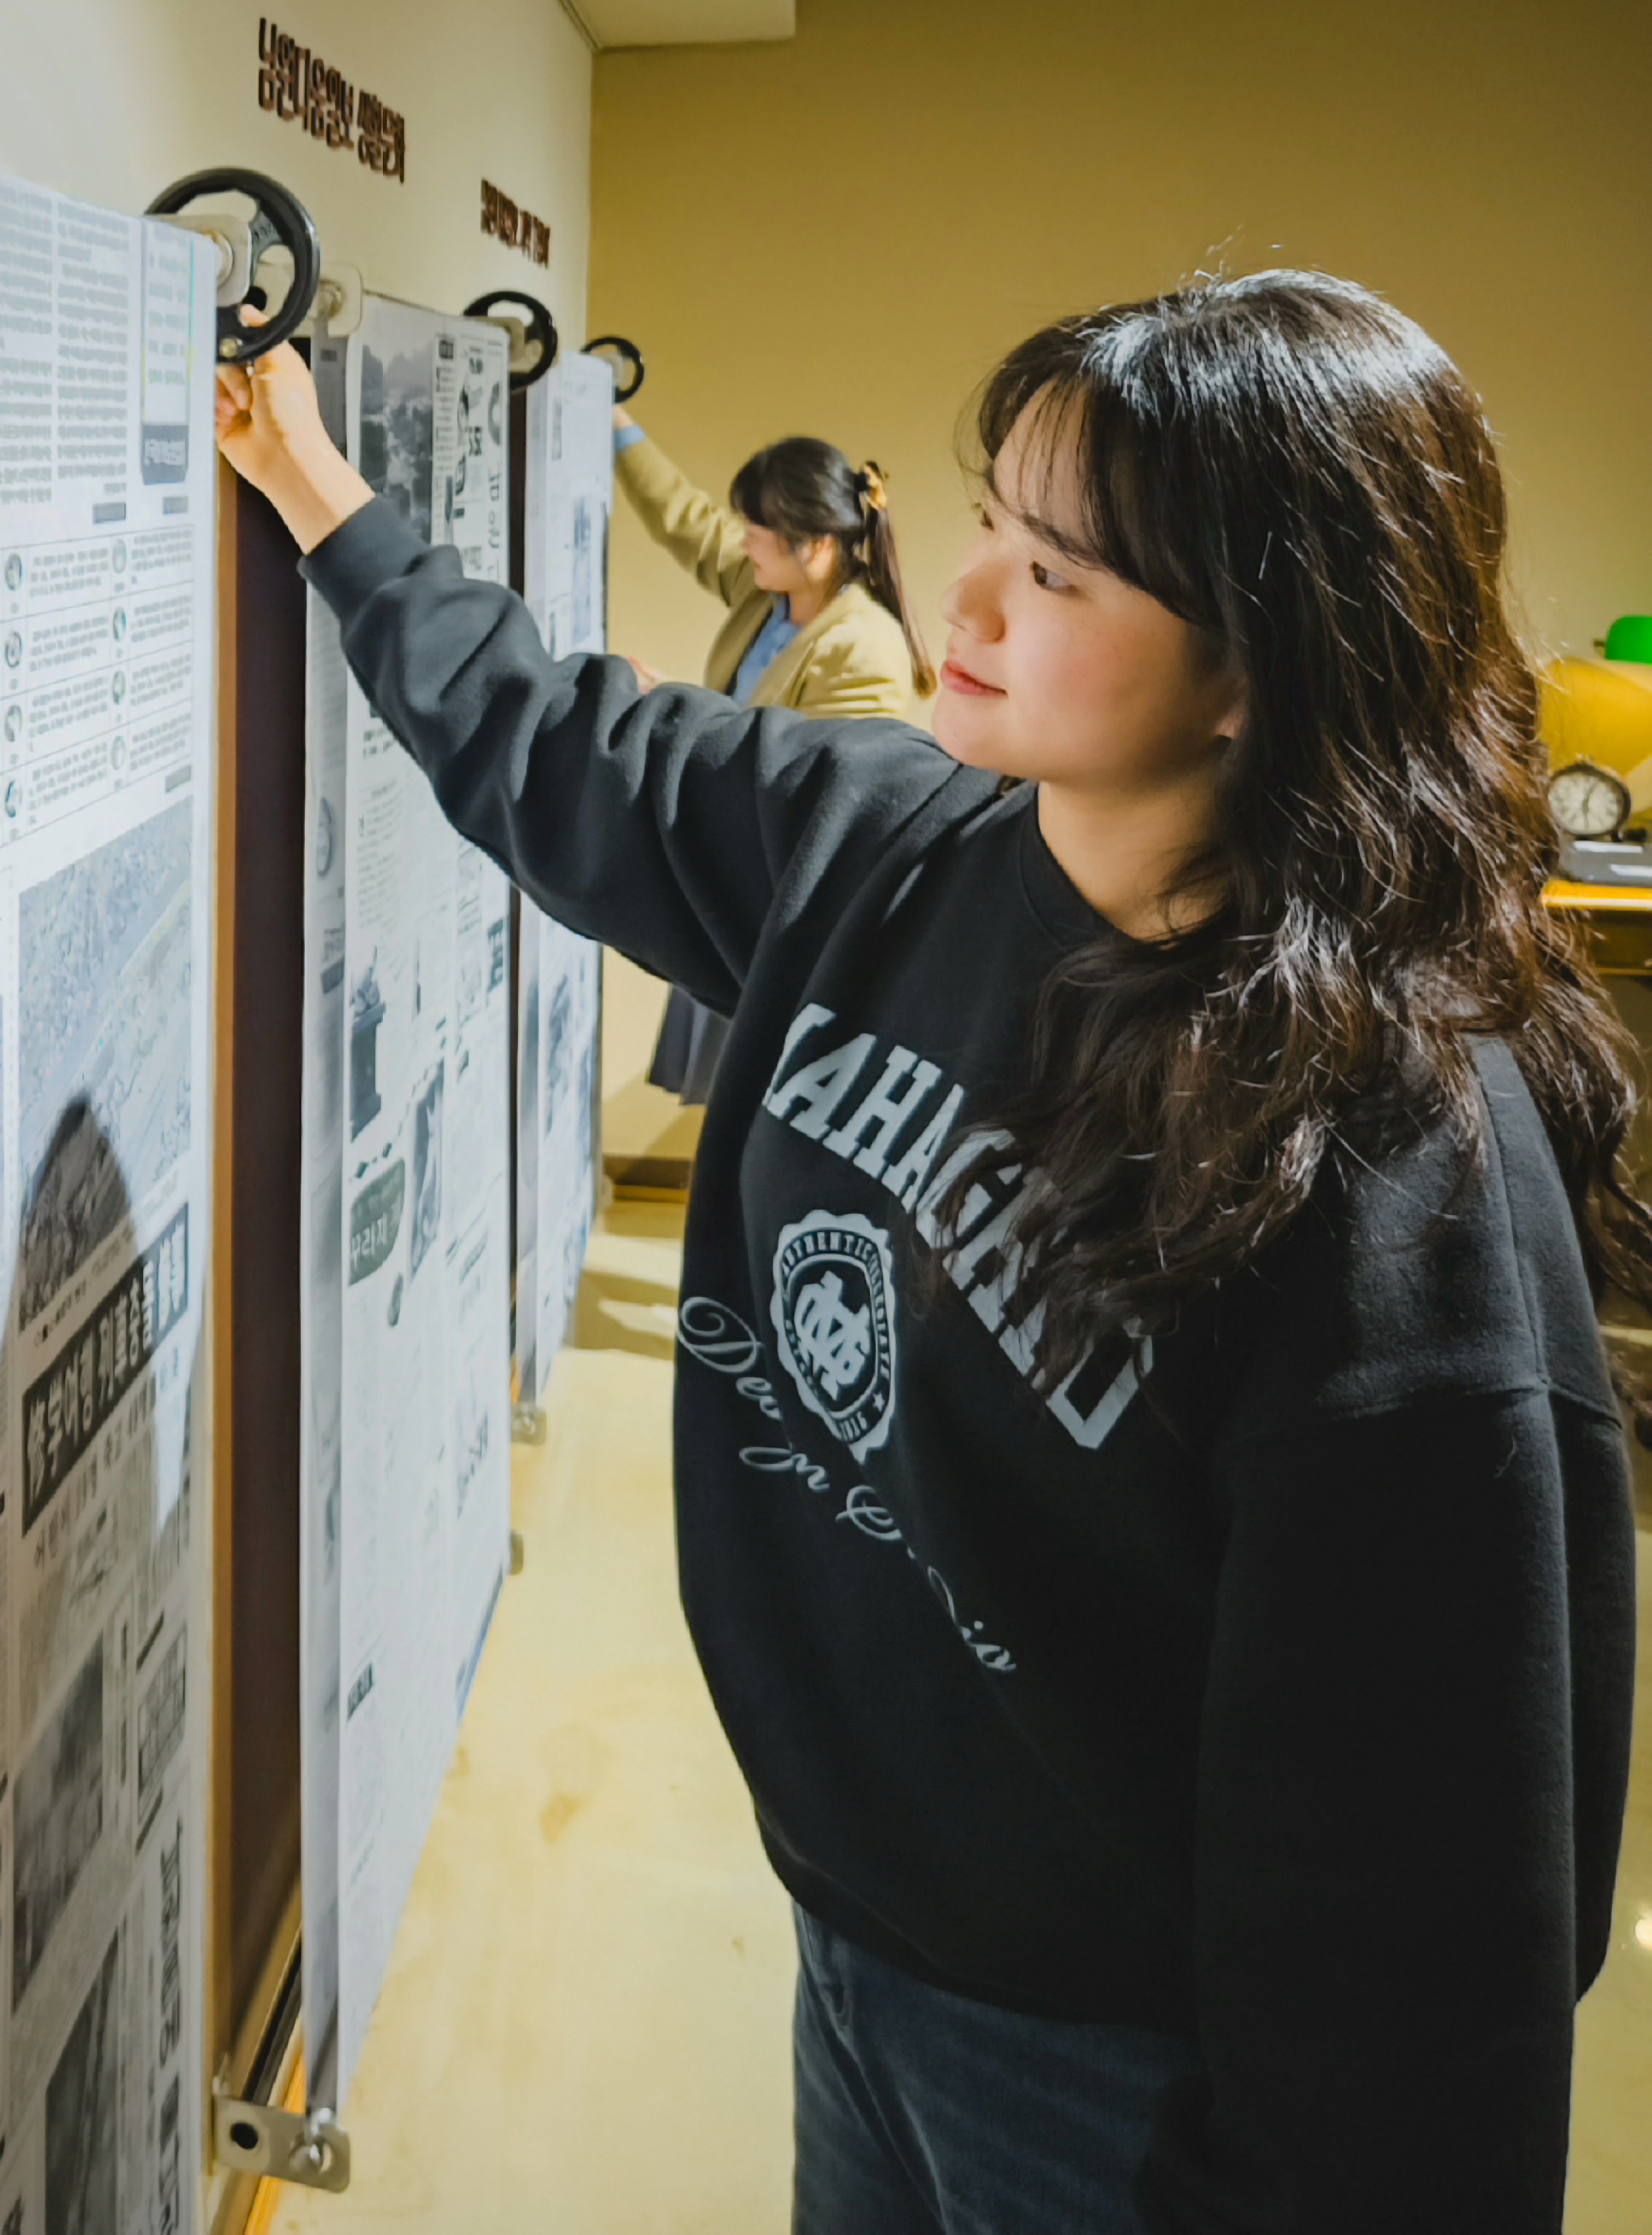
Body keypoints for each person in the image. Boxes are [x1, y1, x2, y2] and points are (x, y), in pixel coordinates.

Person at [213, 272, 1638, 2231]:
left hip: (1129, 2077)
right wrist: (317, 492)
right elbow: (552, 739)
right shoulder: (884, 844)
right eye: (993, 524)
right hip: (857, 1956)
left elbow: (1428, 1939)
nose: (963, 598)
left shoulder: (1392, 1170)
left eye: (1053, 573)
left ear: (1262, 662)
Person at [615, 416, 931, 1104]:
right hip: (731, 869)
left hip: (781, 902)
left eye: (756, 528)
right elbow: (685, 522)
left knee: (754, 1094)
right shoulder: (770, 595)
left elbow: (807, 781)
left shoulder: (865, 644)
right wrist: (618, 427)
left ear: (813, 545)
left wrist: (668, 706)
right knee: (727, 1092)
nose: (742, 540)